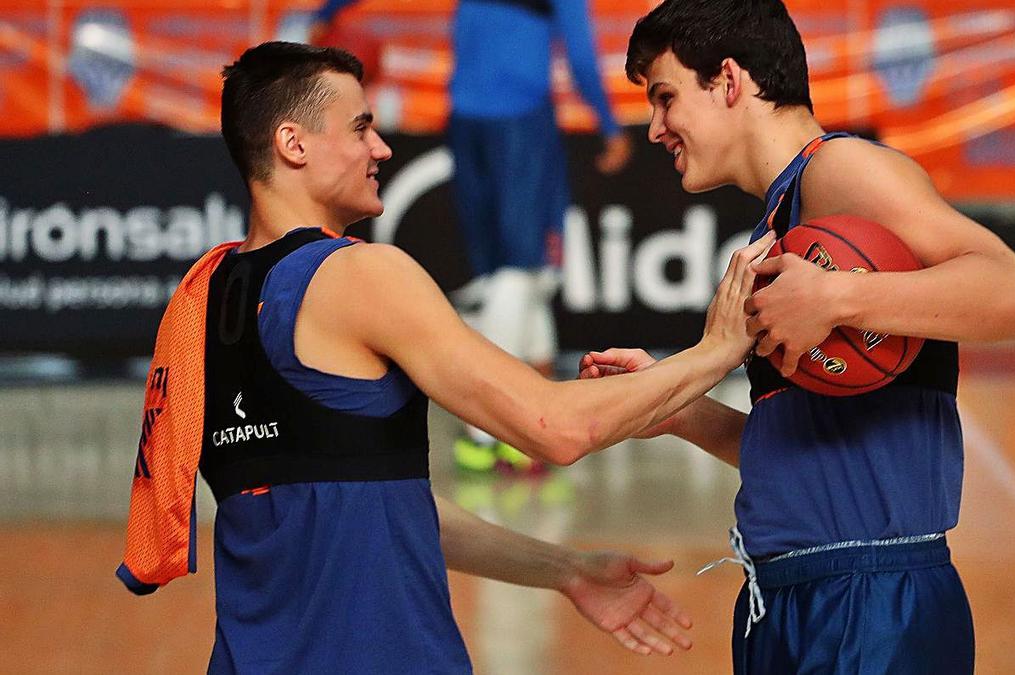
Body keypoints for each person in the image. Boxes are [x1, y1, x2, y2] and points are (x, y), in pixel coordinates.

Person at [116, 41, 773, 673]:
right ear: (294, 144)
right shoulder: (360, 276)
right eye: (360, 128)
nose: (381, 147)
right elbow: (556, 426)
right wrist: (715, 352)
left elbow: (381, 501)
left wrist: (563, 569)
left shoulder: (204, 295)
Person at [580, 1, 1015, 672]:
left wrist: (840, 294)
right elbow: (811, 458)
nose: (655, 127)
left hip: (871, 600)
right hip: (790, 599)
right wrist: (677, 410)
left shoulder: (840, 171)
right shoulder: (776, 223)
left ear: (728, 81)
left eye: (665, 97)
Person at [309, 0, 633, 474]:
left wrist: (326, 10)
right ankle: (493, 434)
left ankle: (541, 403)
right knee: (519, 273)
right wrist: (608, 124)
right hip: (521, 122)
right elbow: (581, 55)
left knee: (514, 276)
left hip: (465, 117)